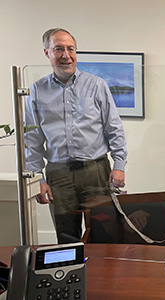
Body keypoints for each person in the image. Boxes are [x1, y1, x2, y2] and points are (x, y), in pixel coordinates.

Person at [25, 28, 128, 244]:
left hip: (96, 172)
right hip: (58, 175)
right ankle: (72, 276)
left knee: (104, 232)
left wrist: (119, 164)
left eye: (70, 49)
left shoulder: (96, 85)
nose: (66, 55)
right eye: (59, 49)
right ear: (47, 53)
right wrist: (38, 179)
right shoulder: (37, 90)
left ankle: (103, 278)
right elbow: (32, 139)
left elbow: (113, 127)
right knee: (66, 237)